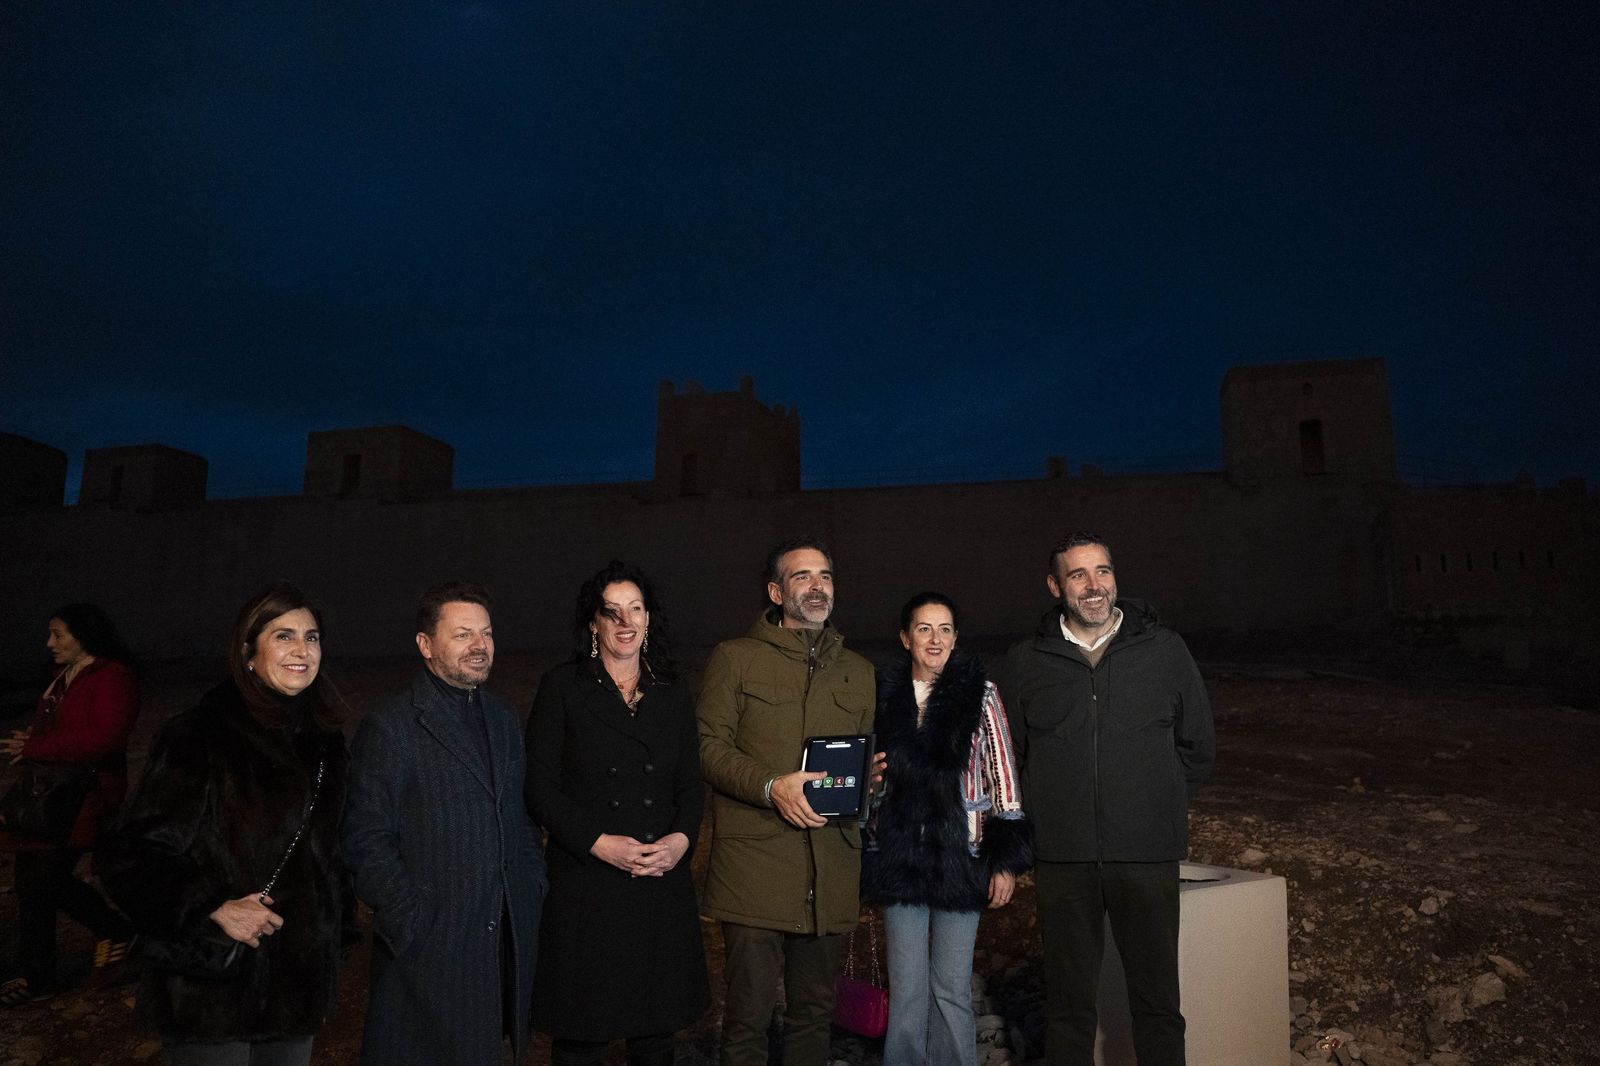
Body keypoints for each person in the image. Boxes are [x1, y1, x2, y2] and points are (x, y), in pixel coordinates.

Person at [99, 583, 350, 1065]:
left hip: (295, 985)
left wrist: (330, 934)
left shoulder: (325, 743)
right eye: (283, 636)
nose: (302, 650)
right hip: (213, 987)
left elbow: (327, 854)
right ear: (248, 653)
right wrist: (213, 908)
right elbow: (130, 854)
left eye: (312, 637)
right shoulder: (200, 734)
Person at [999, 533, 1215, 1066]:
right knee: (1069, 1007)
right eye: (1078, 575)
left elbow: (1198, 746)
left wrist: (1150, 801)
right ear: (1055, 586)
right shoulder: (1027, 660)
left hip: (1146, 855)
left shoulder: (1164, 650)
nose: (1094, 585)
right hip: (1063, 860)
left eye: (1103, 571)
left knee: (1158, 1004)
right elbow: (1012, 756)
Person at [343, 580, 547, 1066]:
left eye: (487, 633)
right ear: (425, 645)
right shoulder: (391, 726)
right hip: (429, 948)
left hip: (501, 942)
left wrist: (532, 881)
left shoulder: (502, 717)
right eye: (462, 634)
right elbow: (365, 839)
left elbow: (515, 816)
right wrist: (411, 921)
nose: (479, 645)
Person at [696, 537, 878, 1066]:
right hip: (754, 867)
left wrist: (872, 781)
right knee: (748, 1019)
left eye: (824, 575)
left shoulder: (859, 671)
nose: (817, 585)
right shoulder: (735, 659)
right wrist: (770, 785)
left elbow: (861, 762)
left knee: (814, 1018)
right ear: (776, 591)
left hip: (831, 866)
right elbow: (706, 747)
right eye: (802, 577)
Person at [524, 561, 710, 1066]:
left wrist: (680, 842)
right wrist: (597, 841)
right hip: (587, 881)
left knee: (654, 1036)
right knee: (583, 1036)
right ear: (594, 623)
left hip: (658, 877)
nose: (625, 621)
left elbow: (690, 785)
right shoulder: (563, 687)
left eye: (635, 609)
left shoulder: (672, 690)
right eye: (612, 612)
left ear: (649, 619)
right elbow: (540, 787)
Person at [862, 591, 1031, 1066]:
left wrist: (1006, 861)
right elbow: (867, 774)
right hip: (900, 859)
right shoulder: (882, 695)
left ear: (955, 639)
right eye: (923, 628)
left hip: (965, 856)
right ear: (905, 637)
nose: (934, 639)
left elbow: (1004, 776)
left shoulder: (982, 694)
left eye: (944, 629)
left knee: (952, 986)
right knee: (908, 987)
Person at [0, 603, 139, 1007]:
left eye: (58, 634)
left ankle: (107, 934)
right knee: (32, 882)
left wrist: (37, 746)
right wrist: (34, 742)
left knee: (43, 880)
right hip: (52, 798)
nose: (50, 643)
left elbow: (105, 738)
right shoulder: (65, 677)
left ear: (85, 635)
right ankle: (39, 971)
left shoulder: (114, 677)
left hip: (83, 798)